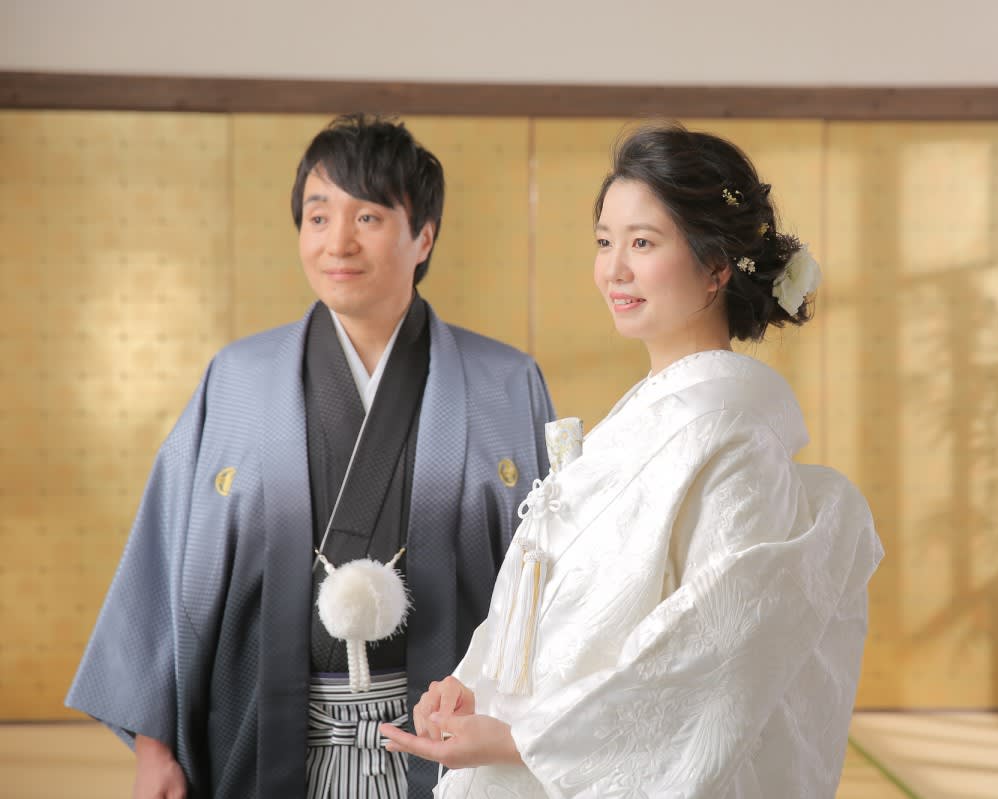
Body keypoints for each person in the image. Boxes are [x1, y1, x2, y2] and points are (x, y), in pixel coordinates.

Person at [379, 122, 884, 798]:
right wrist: (475, 686)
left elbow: (714, 649)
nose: (614, 269)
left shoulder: (734, 433)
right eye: (604, 241)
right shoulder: (651, 413)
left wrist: (524, 739)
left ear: (716, 266)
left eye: (642, 242)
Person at [66, 114, 555, 799]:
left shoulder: (506, 381)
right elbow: (165, 567)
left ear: (424, 236)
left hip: (453, 745)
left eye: (369, 217)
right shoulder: (237, 381)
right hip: (262, 738)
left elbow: (552, 580)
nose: (337, 242)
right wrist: (156, 748)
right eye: (318, 217)